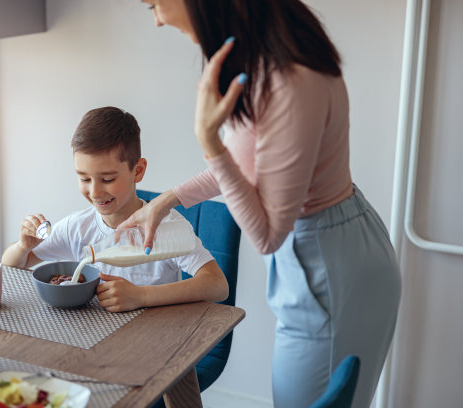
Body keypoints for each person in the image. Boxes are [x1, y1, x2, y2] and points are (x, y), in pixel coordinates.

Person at [122, 1, 402, 407]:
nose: (158, 19)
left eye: (154, 4)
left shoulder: (291, 81)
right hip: (326, 249)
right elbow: (251, 166)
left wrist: (209, 141)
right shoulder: (258, 58)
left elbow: (268, 235)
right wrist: (165, 201)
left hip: (329, 265)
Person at [1, 106, 228, 313]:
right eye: (84, 178)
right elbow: (11, 266)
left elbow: (218, 286)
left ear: (137, 171)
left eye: (107, 179)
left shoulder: (165, 228)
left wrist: (142, 296)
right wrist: (23, 246)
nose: (95, 192)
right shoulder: (77, 228)